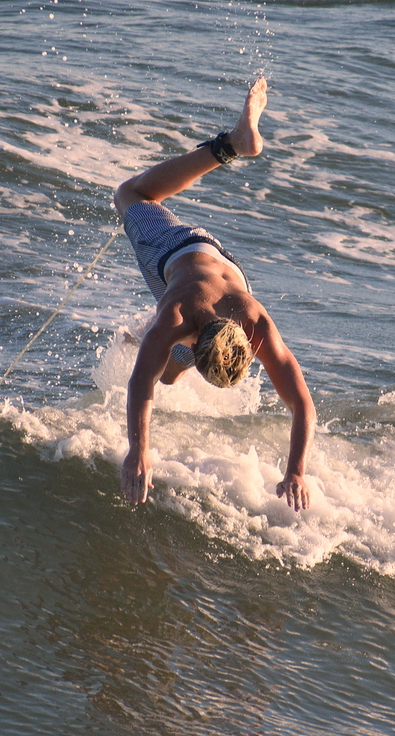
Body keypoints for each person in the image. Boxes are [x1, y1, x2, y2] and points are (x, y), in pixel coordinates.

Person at [113, 78, 314, 510]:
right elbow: (139, 385)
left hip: (228, 269)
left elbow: (301, 403)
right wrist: (138, 451)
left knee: (169, 372)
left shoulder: (254, 323)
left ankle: (150, 347)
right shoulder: (176, 317)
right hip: (174, 251)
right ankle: (230, 145)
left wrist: (296, 469)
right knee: (129, 194)